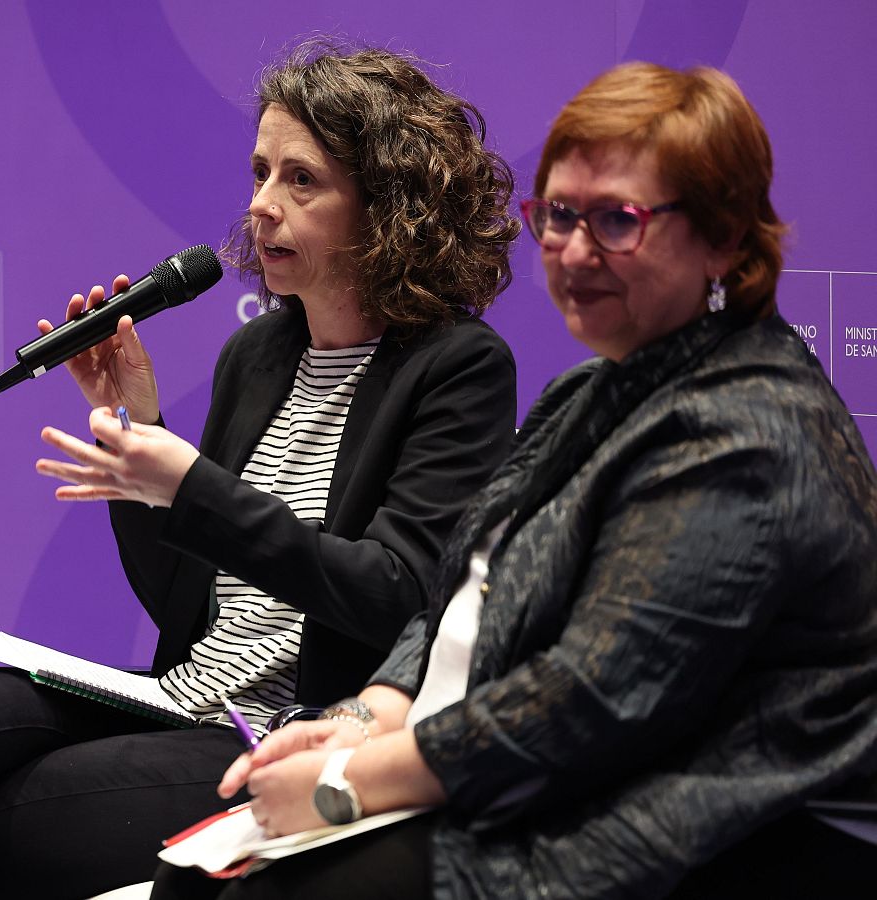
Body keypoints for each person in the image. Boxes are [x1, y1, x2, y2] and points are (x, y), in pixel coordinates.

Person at [152, 61, 877, 900]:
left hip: (701, 832)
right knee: (194, 878)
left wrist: (351, 779)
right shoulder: (589, 391)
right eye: (560, 215)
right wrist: (365, 713)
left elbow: (592, 699)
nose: (573, 249)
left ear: (722, 238)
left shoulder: (747, 430)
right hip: (519, 779)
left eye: (616, 219)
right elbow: (458, 597)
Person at [0, 43, 518, 900]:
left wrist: (192, 486)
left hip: (276, 731)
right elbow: (182, 603)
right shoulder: (258, 354)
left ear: (386, 209)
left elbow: (396, 594)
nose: (262, 206)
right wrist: (139, 430)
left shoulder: (456, 367)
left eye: (302, 181)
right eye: (261, 171)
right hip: (179, 696)